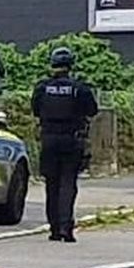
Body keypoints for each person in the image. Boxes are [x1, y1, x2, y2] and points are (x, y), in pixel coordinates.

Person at [30, 46, 102, 242]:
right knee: (68, 183)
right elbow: (92, 111)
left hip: (49, 139)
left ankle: (53, 229)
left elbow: (35, 110)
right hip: (72, 139)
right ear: (71, 65)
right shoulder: (80, 88)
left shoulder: (42, 87)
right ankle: (66, 228)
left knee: (51, 184)